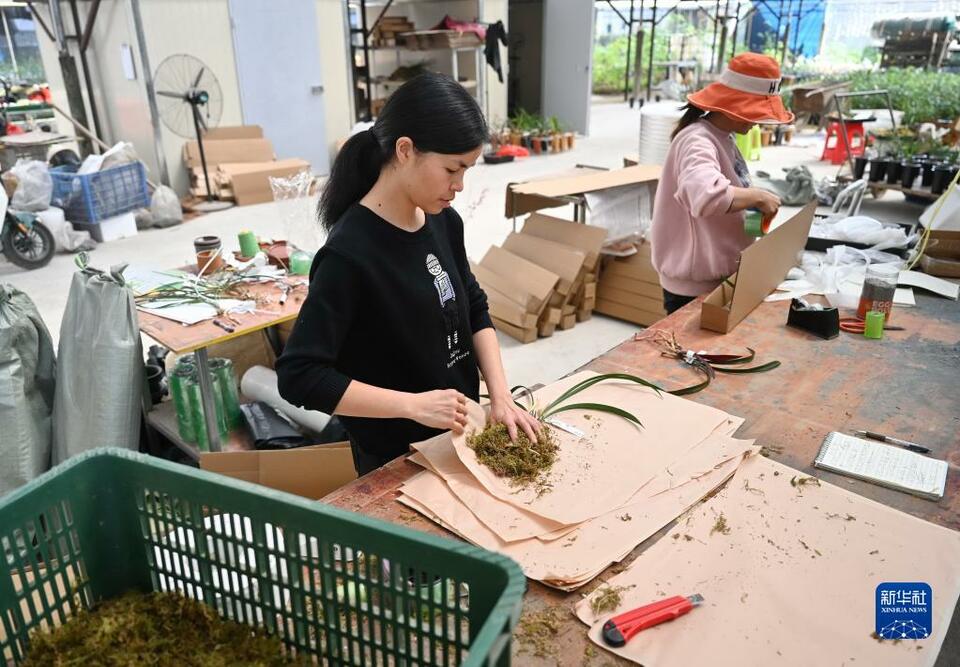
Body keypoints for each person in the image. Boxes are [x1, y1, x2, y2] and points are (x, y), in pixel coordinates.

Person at [276, 72, 540, 476]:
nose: (460, 186)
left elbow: (472, 306)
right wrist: (413, 405)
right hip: (396, 459)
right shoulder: (349, 255)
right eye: (452, 169)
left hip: (459, 437)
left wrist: (501, 396)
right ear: (404, 150)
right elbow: (300, 376)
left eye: (466, 170)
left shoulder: (442, 221)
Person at [650, 53, 793, 315]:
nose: (758, 122)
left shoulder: (721, 136)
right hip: (693, 287)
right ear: (738, 109)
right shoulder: (697, 140)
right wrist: (757, 196)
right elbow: (704, 195)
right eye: (756, 114)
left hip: (718, 276)